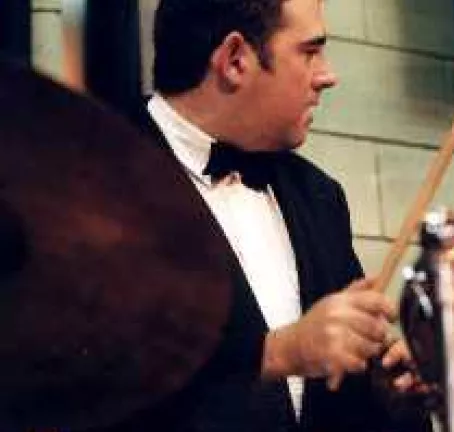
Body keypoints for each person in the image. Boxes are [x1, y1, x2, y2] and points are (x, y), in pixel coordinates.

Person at [112, 0, 432, 431]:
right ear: (235, 60)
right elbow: (97, 384)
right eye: (310, 51)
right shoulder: (95, 181)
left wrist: (389, 394)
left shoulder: (319, 198)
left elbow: (339, 404)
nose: (327, 76)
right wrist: (278, 353)